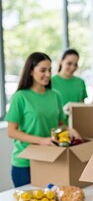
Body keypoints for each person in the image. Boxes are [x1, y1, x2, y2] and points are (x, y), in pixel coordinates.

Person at [5, 52, 82, 187]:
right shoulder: (20, 97)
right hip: (25, 163)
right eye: (43, 70)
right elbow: (12, 132)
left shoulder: (55, 95)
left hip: (50, 159)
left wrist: (70, 129)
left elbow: (60, 125)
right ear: (30, 71)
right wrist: (42, 141)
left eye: (50, 70)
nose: (48, 74)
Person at [51, 49, 88, 125]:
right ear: (61, 61)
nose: (72, 67)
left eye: (75, 64)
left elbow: (82, 107)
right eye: (69, 63)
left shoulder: (80, 82)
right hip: (58, 126)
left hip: (78, 126)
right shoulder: (50, 82)